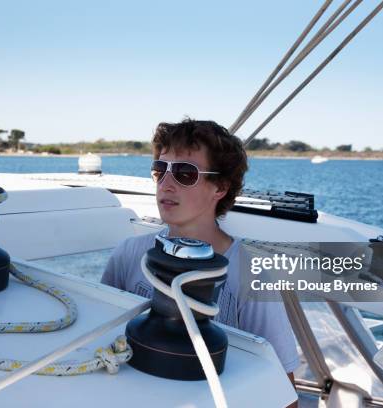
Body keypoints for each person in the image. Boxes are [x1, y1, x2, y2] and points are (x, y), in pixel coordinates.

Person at [101, 118, 300, 396]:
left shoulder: (250, 273)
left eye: (185, 173)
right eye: (160, 170)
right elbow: (102, 344)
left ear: (220, 187)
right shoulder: (128, 255)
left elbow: (282, 392)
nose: (167, 184)